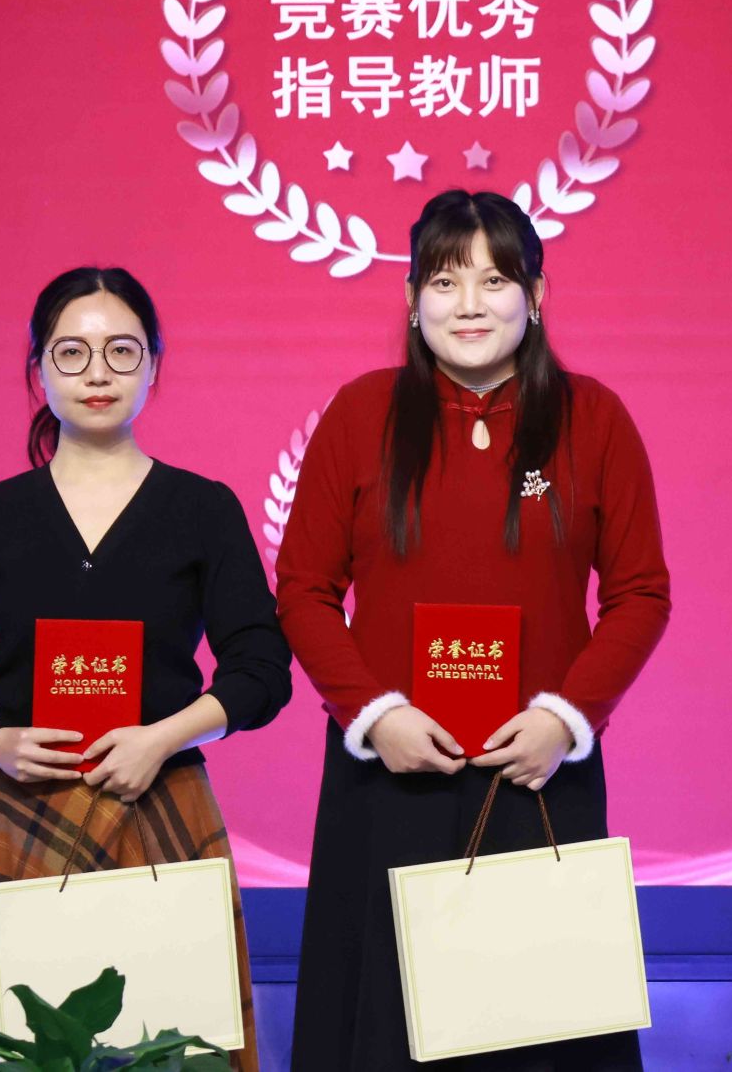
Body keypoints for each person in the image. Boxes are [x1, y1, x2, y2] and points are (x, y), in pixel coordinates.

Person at [277, 190, 670, 1071]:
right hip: (389, 775)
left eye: (495, 280)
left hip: (538, 775)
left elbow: (641, 593)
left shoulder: (594, 417)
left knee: (541, 1030)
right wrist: (373, 713)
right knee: (385, 1028)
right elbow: (302, 588)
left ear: (538, 294)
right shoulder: (361, 413)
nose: (469, 304)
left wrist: (566, 719)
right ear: (410, 297)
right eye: (444, 280)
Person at [0, 266, 291, 1067]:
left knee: (172, 1051)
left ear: (153, 366)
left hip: (162, 800)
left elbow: (261, 667)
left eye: (122, 350)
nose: (98, 372)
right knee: (13, 1051)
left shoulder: (203, 508)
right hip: (17, 807)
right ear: (38, 370)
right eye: (72, 353)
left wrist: (163, 737)